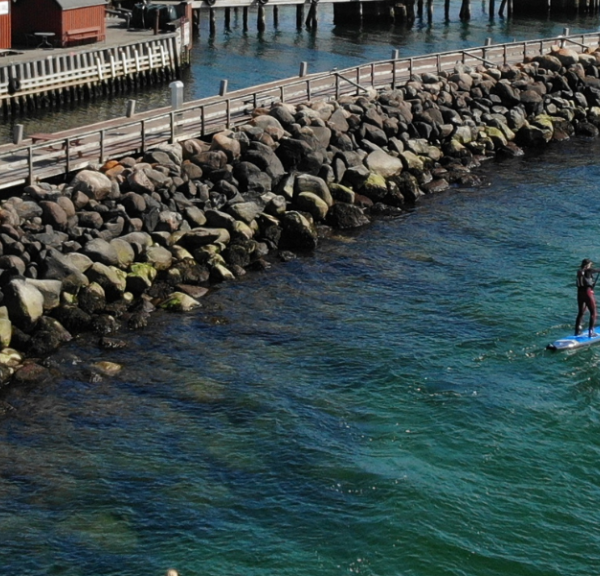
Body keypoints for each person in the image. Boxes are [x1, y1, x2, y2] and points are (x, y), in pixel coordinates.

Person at [575, 258, 600, 337]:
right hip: (587, 293)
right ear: (587, 265)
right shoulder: (589, 270)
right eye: (590, 265)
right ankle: (591, 332)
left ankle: (577, 331)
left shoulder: (579, 272)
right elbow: (598, 270)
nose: (591, 266)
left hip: (579, 294)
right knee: (593, 313)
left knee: (581, 312)